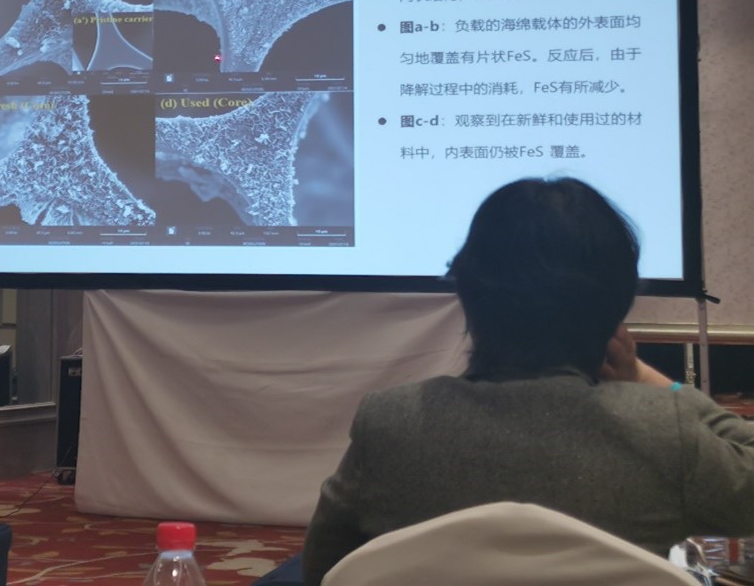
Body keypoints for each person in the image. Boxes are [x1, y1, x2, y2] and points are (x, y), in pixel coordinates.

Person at [302, 177, 754, 586]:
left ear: (469, 293)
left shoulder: (390, 423)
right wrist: (650, 380)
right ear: (617, 305)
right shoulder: (662, 429)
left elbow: (325, 571)